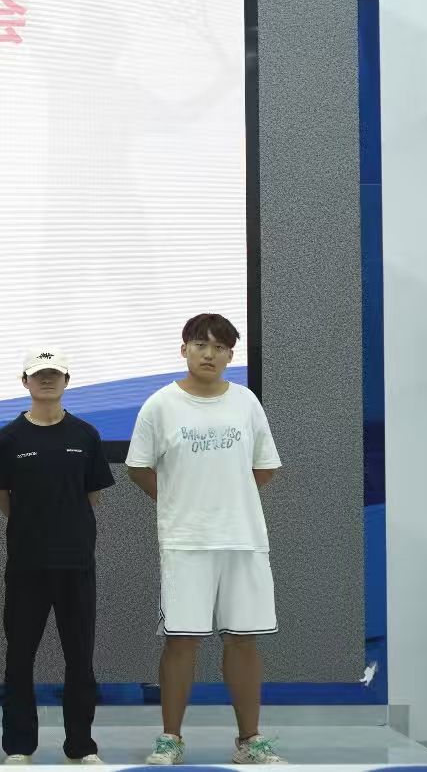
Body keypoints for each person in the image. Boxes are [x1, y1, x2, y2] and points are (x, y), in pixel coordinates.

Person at [127, 314, 285, 765]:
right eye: (200, 345)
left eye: (219, 347)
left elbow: (264, 467)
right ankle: (170, 739)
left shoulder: (246, 402)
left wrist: (227, 499)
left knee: (244, 639)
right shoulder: (160, 404)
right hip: (186, 542)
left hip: (243, 540)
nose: (209, 354)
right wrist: (182, 502)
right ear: (184, 350)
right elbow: (138, 467)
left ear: (231, 355)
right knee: (182, 640)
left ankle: (250, 740)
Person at [0, 349, 113, 765]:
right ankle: (19, 747)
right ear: (25, 381)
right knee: (19, 658)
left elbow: (92, 495)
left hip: (76, 564)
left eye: (54, 374)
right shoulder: (8, 438)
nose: (46, 380)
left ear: (66, 381)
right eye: (38, 374)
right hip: (26, 565)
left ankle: (81, 747)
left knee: (80, 659)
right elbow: (2, 495)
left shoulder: (85, 435)